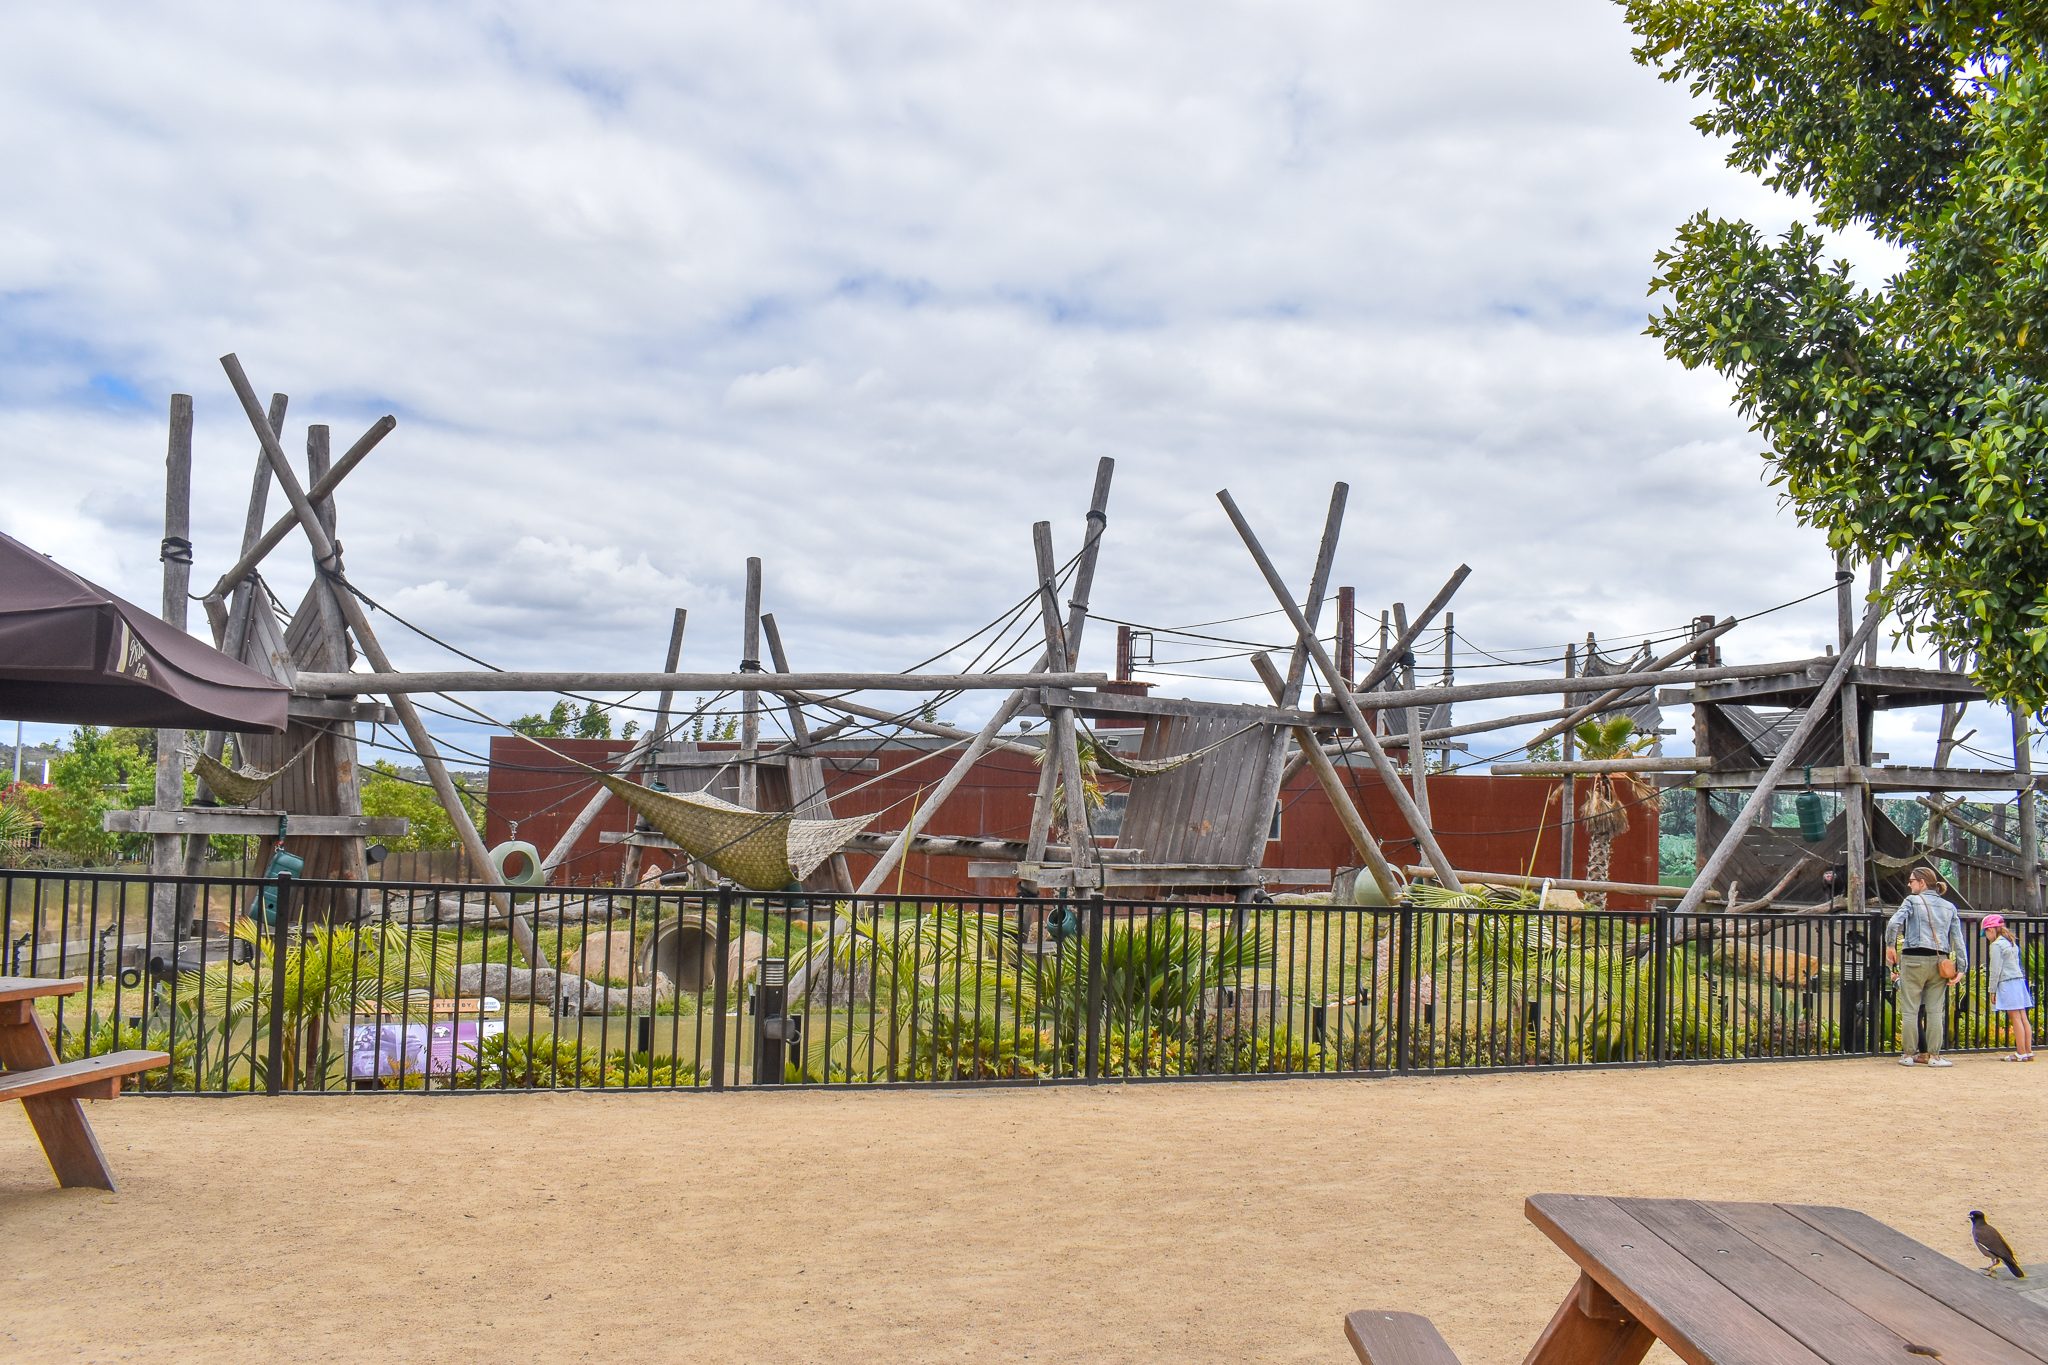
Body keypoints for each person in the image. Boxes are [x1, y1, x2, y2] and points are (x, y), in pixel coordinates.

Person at [1886, 866, 1969, 1066]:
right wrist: (1962, 967)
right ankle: (1934, 1056)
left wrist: (1890, 945)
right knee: (1934, 1011)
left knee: (1910, 1010)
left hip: (1913, 959)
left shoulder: (1912, 901)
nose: (1909, 883)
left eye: (1912, 880)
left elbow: (1893, 924)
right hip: (1939, 962)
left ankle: (1907, 1055)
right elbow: (1958, 939)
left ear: (1922, 883)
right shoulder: (1949, 906)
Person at [1983, 914, 2034, 1062]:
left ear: (1991, 930)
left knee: (2015, 1018)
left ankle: (2020, 1053)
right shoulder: (2011, 942)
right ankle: (2028, 1051)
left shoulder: (1996, 945)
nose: (1986, 936)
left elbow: (1995, 969)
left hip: (2007, 983)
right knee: (2023, 1017)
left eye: (1985, 932)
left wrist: (1992, 990)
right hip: (2019, 982)